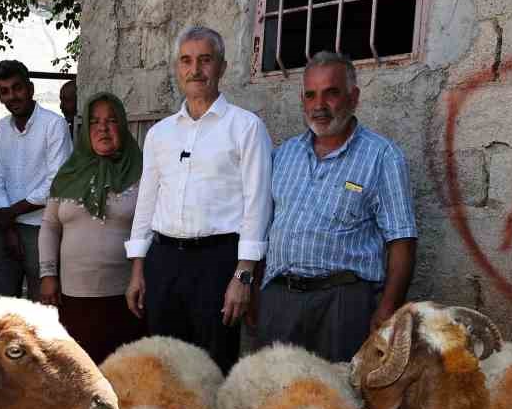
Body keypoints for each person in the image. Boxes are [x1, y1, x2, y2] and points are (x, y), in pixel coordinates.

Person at [255, 52, 418, 363]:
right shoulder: (283, 155)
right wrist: (253, 292)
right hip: (280, 300)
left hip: (343, 305)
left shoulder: (382, 156)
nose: (319, 105)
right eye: (311, 95)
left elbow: (402, 241)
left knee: (339, 400)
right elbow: (262, 229)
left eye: (331, 93)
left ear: (353, 97)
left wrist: (387, 308)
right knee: (274, 397)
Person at [125, 26, 271, 373]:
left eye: (205, 60)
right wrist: (137, 269)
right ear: (178, 68)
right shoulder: (161, 133)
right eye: (187, 61)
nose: (196, 70)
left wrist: (243, 276)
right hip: (164, 263)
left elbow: (258, 204)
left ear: (221, 66)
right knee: (164, 363)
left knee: (213, 365)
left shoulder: (246, 128)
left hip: (218, 264)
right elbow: (147, 201)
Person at [38, 92, 146, 363]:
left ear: (122, 126)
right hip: (72, 297)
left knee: (122, 373)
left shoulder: (142, 171)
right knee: (78, 373)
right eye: (95, 122)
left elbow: (150, 229)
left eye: (111, 121)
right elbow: (50, 226)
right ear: (86, 129)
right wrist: (48, 274)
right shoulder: (68, 174)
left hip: (125, 297)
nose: (103, 128)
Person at [0, 59, 70, 301]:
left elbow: (57, 184)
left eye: (17, 88)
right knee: (1, 309)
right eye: (4, 91)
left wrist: (11, 213)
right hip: (6, 228)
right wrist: (9, 224)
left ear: (30, 88)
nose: (12, 96)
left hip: (42, 226)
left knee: (42, 308)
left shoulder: (54, 125)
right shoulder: (2, 128)